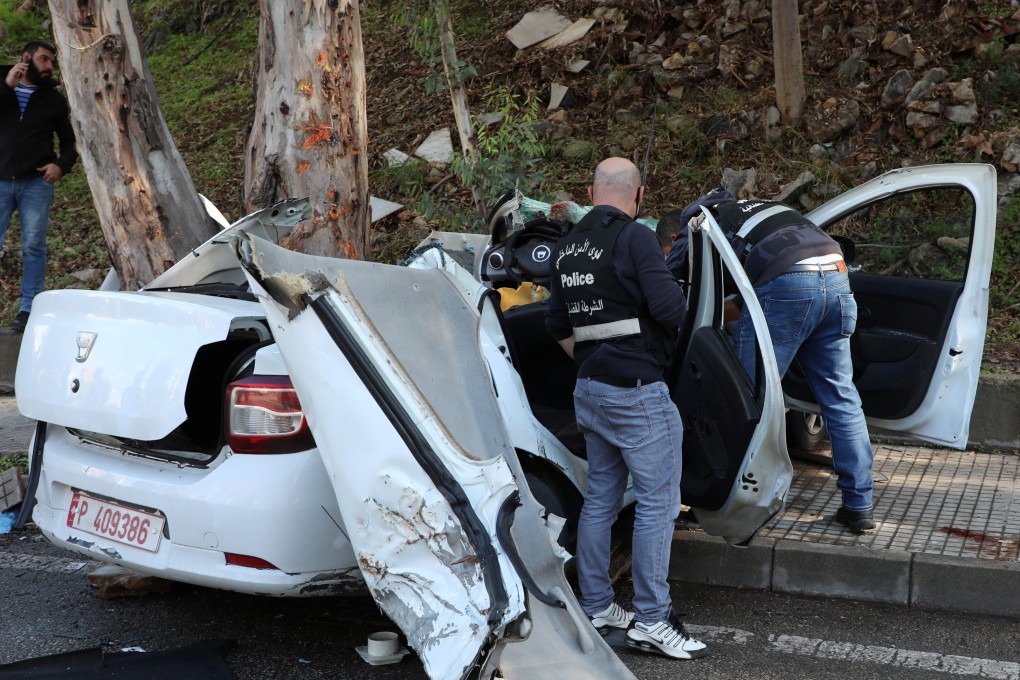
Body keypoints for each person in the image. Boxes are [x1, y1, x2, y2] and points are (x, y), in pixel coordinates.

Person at [545, 157, 708, 660]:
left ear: (591, 190)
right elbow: (669, 309)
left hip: (590, 388)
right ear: (638, 195)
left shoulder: (568, 246)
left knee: (600, 498)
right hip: (637, 390)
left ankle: (595, 605)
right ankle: (653, 620)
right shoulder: (636, 236)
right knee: (660, 502)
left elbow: (556, 324)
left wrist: (596, 359)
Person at [664, 190, 876, 533]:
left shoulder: (701, 220)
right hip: (836, 274)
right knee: (840, 397)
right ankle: (859, 506)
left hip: (787, 283)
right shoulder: (761, 210)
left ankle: (737, 507)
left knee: (745, 401)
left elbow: (672, 287)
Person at [0, 40, 77, 332]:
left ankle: (28, 309)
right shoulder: (2, 82)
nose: (48, 67)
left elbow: (70, 142)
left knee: (33, 246)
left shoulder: (54, 99)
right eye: (44, 59)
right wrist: (6, 86)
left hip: (35, 184)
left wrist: (61, 164)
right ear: (26, 58)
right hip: (0, 181)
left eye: (51, 62)